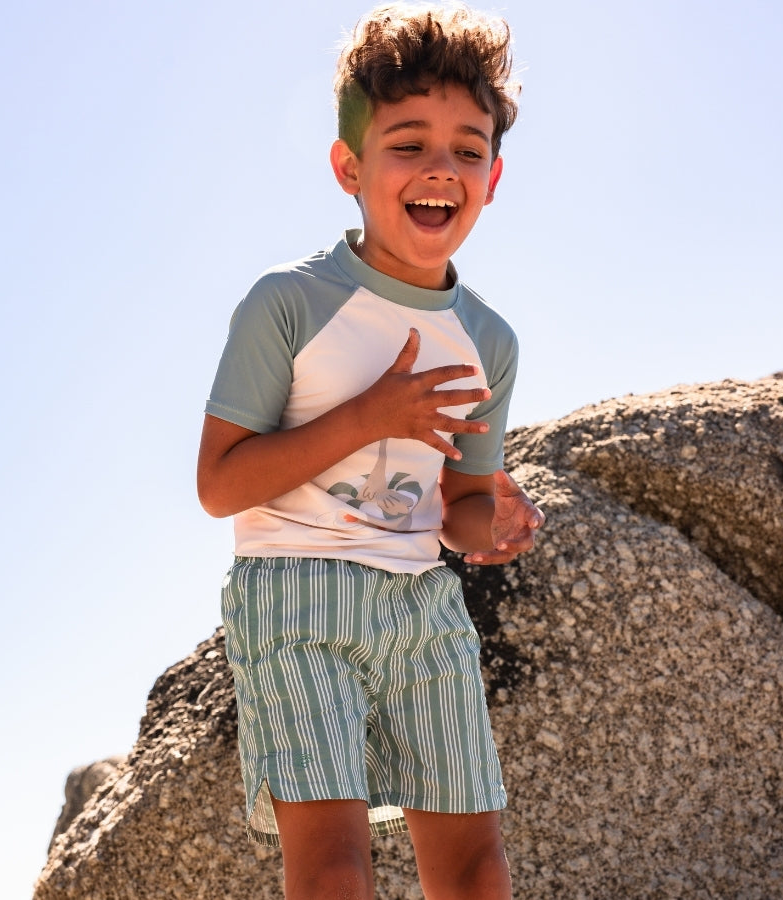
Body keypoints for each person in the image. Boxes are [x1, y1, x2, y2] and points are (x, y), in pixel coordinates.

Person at [197, 3, 543, 897]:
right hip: (296, 596)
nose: (440, 169)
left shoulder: (489, 343)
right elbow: (219, 485)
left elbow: (460, 505)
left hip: (424, 609)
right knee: (335, 863)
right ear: (349, 165)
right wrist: (368, 417)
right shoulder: (287, 302)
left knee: (475, 864)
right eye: (408, 144)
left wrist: (488, 527)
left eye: (467, 150)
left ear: (494, 178)